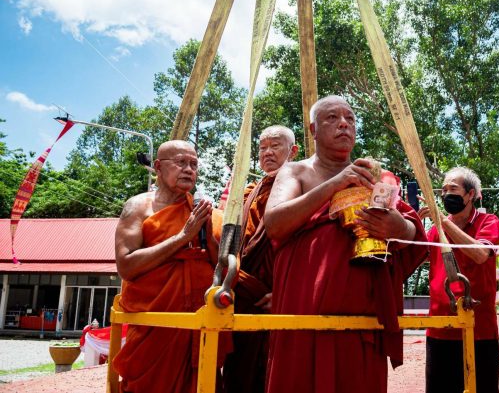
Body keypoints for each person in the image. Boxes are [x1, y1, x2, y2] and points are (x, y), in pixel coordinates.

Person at [264, 95, 428, 393]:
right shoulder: (296, 171)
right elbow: (274, 223)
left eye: (350, 119)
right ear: (313, 130)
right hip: (303, 315)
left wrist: (396, 226)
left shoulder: (372, 175)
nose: (343, 124)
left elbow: (413, 233)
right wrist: (336, 184)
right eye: (332, 118)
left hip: (362, 323)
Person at [112, 140, 229, 393]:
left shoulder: (204, 211)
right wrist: (182, 238)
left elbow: (224, 268)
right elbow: (127, 266)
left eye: (194, 164)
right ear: (157, 167)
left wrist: (207, 234)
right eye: (180, 163)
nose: (189, 169)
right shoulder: (139, 207)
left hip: (201, 324)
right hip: (155, 325)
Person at [222, 125, 298, 393]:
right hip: (244, 297)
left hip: (284, 300)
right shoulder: (250, 193)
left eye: (275, 146)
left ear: (293, 151)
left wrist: (289, 292)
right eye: (262, 147)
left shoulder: (303, 190)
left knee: (278, 375)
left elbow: (310, 248)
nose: (267, 152)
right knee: (239, 373)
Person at [417, 167, 499, 393]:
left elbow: (481, 255)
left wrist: (442, 221)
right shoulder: (435, 230)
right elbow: (414, 257)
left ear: (471, 194)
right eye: (443, 190)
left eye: (453, 189)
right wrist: (409, 220)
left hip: (479, 329)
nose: (446, 195)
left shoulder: (488, 221)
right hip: (440, 329)